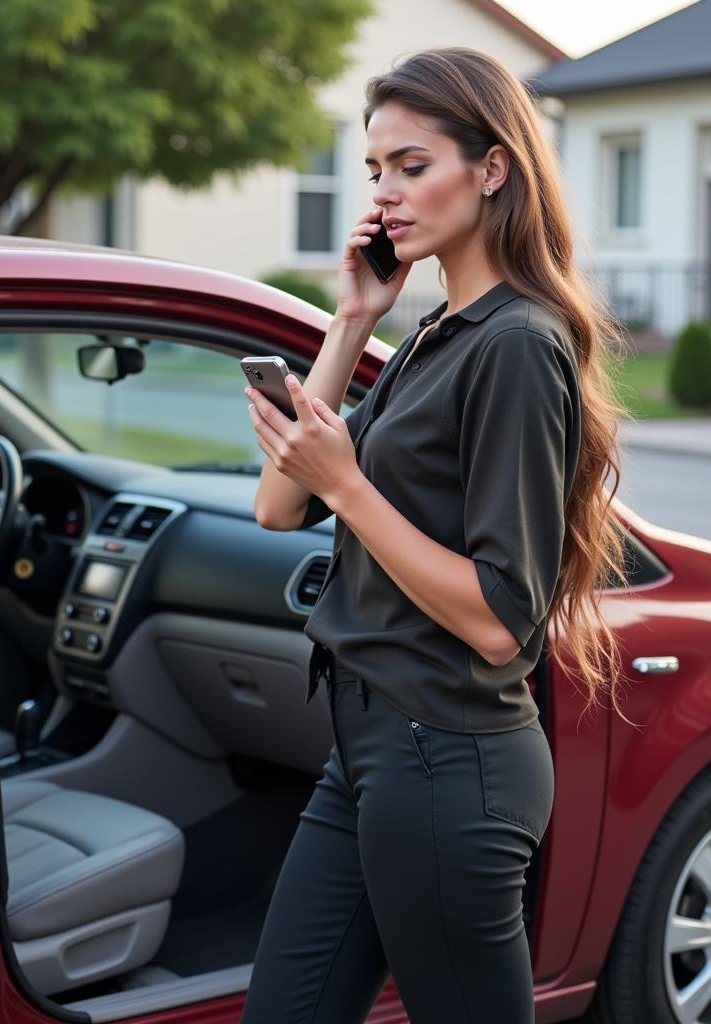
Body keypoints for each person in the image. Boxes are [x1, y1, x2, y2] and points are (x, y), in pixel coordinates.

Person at [239, 47, 633, 1024]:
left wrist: (349, 486)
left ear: (490, 168)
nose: (384, 195)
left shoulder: (517, 344)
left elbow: (504, 621)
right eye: (375, 170)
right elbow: (276, 509)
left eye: (412, 166)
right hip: (370, 750)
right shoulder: (433, 333)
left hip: (446, 757)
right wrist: (350, 320)